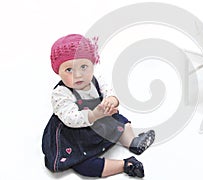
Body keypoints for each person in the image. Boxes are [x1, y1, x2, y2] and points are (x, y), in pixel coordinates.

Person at [42, 34, 155, 178]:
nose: (78, 75)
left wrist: (111, 101)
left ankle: (133, 142)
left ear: (92, 64)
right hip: (75, 133)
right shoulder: (60, 93)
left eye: (83, 67)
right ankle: (125, 164)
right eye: (69, 70)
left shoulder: (96, 79)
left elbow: (110, 92)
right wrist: (94, 115)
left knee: (120, 122)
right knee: (83, 166)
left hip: (102, 120)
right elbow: (70, 118)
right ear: (58, 72)